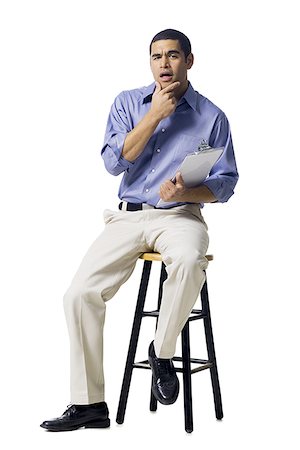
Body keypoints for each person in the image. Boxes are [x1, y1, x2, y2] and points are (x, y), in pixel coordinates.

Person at [41, 28, 238, 432]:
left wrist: (189, 188)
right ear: (150, 62)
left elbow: (225, 184)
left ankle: (161, 353)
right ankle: (89, 404)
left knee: (187, 259)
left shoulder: (212, 116)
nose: (164, 64)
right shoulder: (128, 103)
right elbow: (115, 163)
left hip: (180, 216)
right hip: (128, 216)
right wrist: (154, 116)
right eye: (156, 56)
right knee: (78, 294)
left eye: (173, 56)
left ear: (189, 60)